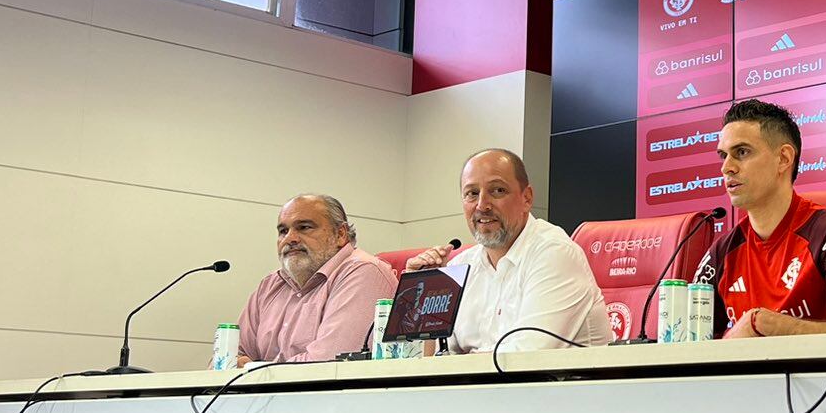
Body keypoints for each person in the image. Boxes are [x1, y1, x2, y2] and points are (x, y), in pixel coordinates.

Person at [694, 98, 826, 338]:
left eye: (742, 152)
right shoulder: (721, 253)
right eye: (723, 156)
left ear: (783, 158)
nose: (726, 168)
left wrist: (776, 327)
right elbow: (687, 342)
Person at [404, 148, 610, 353]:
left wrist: (453, 363)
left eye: (497, 190)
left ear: (526, 198)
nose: (482, 205)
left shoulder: (555, 253)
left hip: (558, 375)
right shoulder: (461, 266)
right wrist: (423, 296)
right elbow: (429, 360)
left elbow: (528, 355)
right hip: (484, 376)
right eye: (472, 194)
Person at [238, 193, 396, 362]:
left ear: (340, 234)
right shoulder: (270, 285)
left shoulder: (364, 271)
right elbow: (229, 357)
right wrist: (240, 365)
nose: (290, 238)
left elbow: (328, 363)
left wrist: (252, 369)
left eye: (304, 227)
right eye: (283, 231)